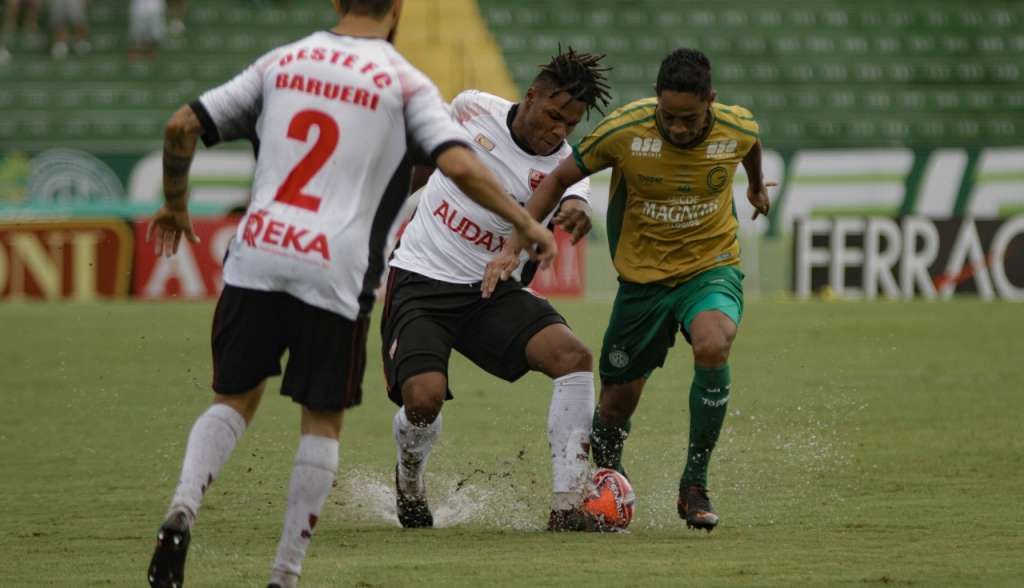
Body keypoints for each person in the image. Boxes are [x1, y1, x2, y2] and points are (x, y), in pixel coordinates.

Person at [144, 1, 556, 587]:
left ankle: (184, 506)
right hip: (333, 269)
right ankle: (284, 575)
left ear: (337, 3)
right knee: (321, 422)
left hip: (257, 254)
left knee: (231, 400)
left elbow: (182, 125)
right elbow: (459, 162)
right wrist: (528, 223)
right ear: (397, 10)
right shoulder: (405, 84)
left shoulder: (281, 62)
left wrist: (175, 202)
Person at [487, 48, 773, 533]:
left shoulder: (736, 125)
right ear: (656, 102)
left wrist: (756, 187)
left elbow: (749, 145)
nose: (678, 128)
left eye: (690, 118)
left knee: (713, 341)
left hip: (710, 268)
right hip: (642, 284)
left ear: (711, 102)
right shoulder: (625, 130)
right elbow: (559, 178)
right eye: (669, 116)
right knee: (615, 405)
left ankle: (694, 483)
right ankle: (610, 475)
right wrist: (515, 243)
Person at [381, 46, 613, 532]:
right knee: (423, 400)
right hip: (422, 279)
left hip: (492, 292)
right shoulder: (471, 107)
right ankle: (409, 480)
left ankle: (567, 506)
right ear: (531, 96)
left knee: (573, 357)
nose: (557, 131)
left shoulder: (567, 166)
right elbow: (430, 158)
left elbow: (575, 199)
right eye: (552, 116)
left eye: (568, 125)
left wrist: (575, 213)